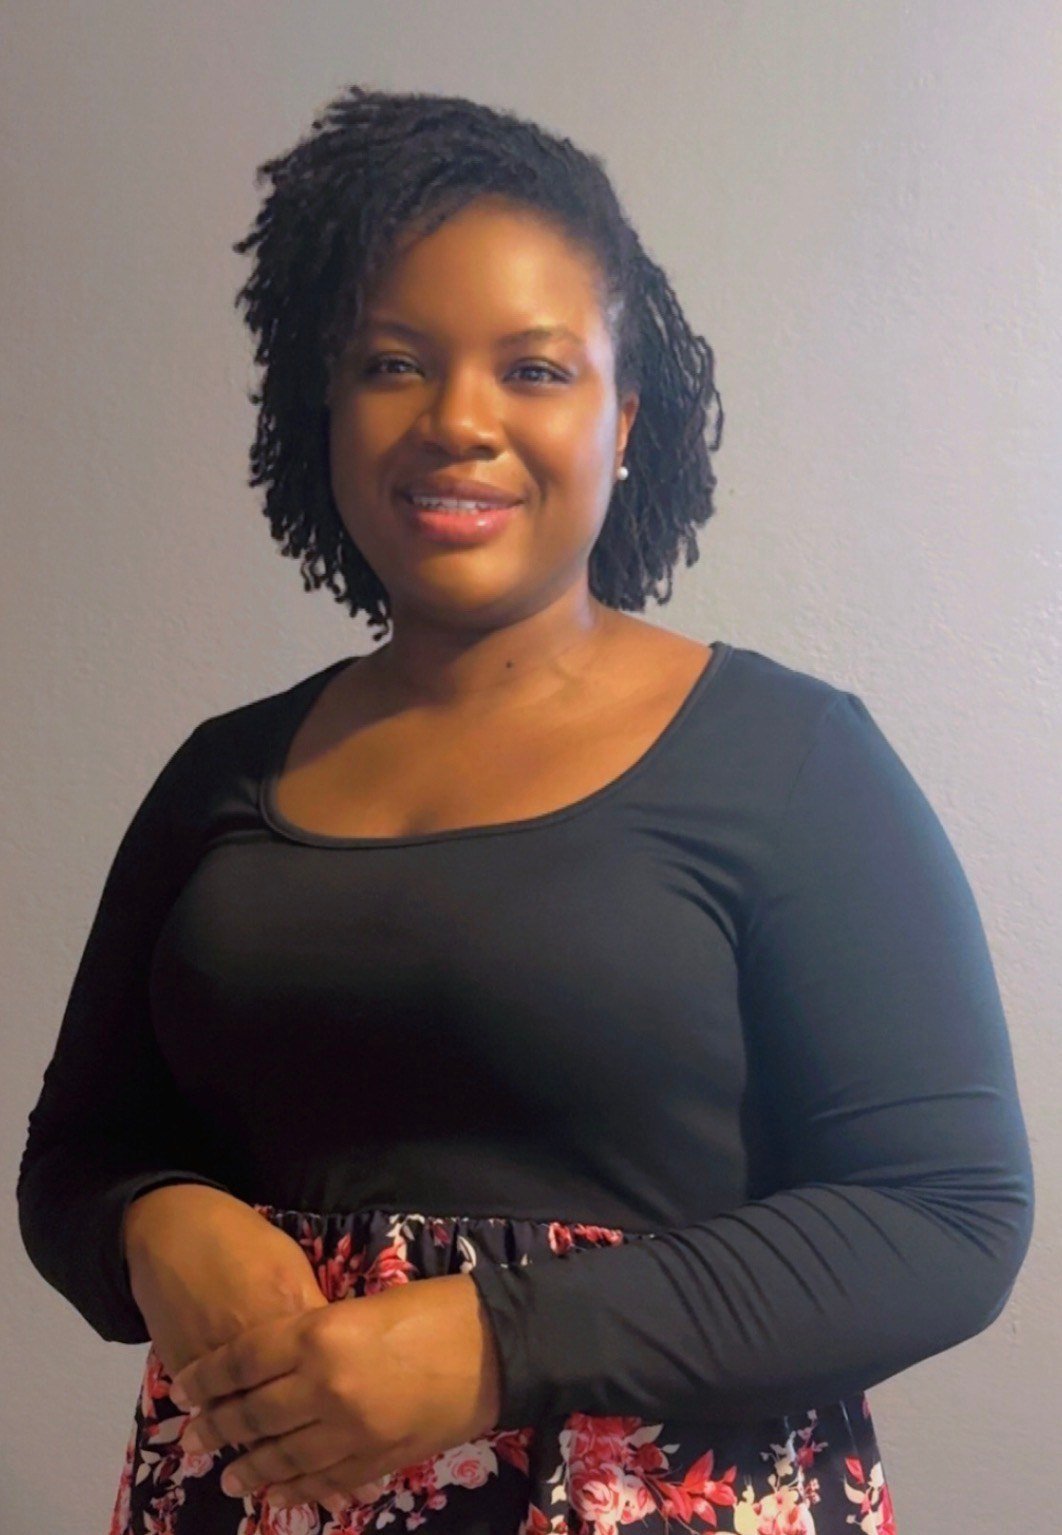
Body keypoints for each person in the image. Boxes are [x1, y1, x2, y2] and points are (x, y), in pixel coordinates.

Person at [17, 87, 1033, 1535]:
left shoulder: (790, 761)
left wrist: (489, 1342)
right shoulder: (217, 779)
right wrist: (152, 1225)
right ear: (327, 409)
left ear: (624, 418)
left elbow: (945, 1218)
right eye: (392, 363)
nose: (459, 423)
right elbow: (74, 1156)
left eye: (535, 371)